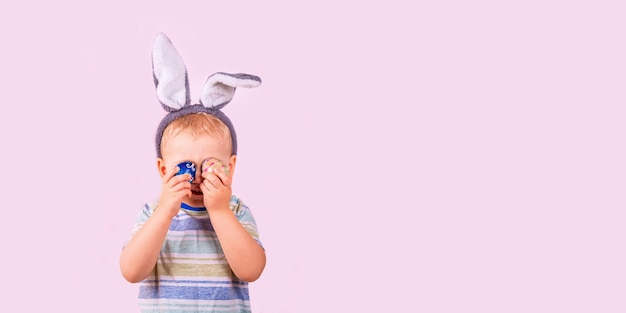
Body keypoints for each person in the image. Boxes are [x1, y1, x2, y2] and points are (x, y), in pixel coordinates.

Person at [119, 33, 266, 313]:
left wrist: (220, 211)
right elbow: (131, 272)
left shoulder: (235, 211)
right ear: (163, 170)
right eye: (186, 167)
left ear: (231, 168)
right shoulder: (153, 213)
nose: (197, 177)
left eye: (209, 165)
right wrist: (165, 212)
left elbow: (252, 270)